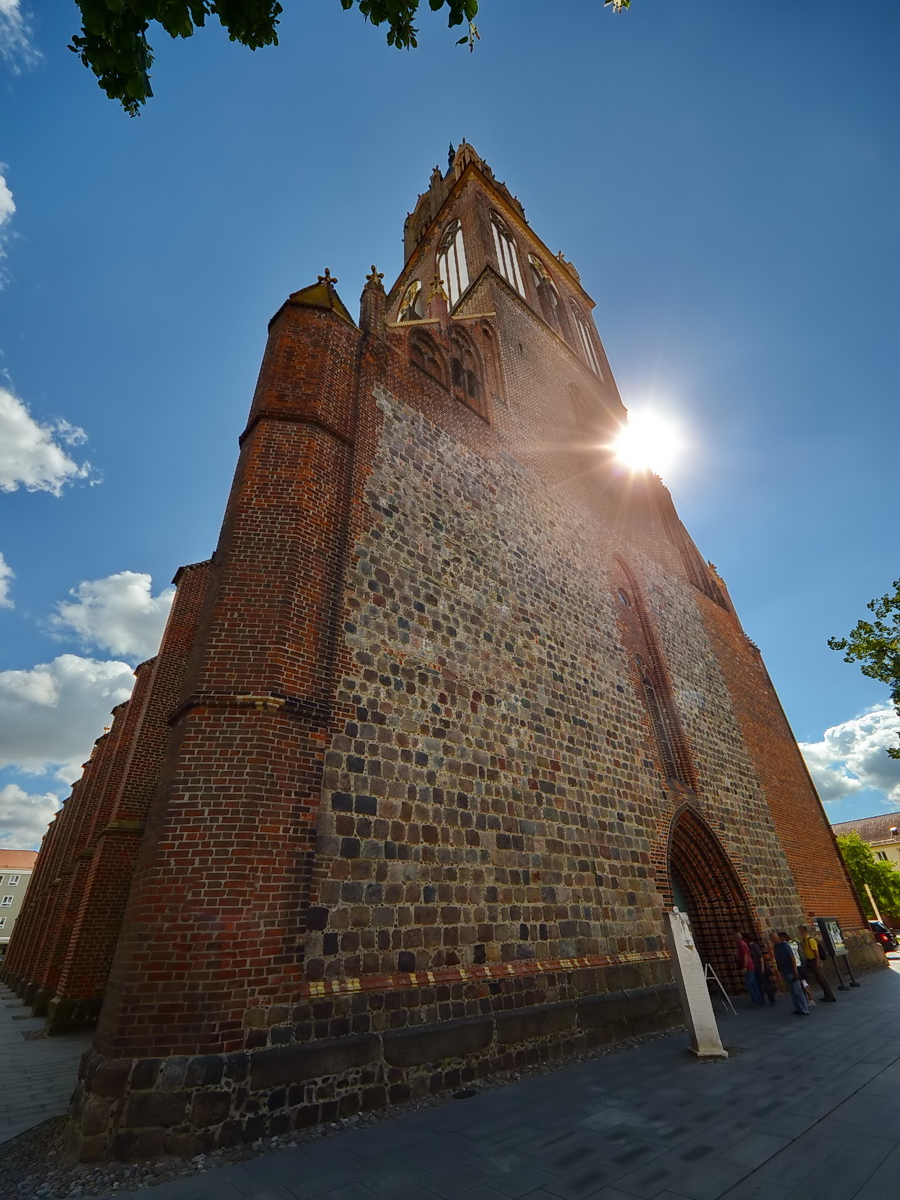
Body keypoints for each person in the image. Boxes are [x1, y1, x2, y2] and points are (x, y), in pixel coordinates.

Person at [771, 930, 809, 1015]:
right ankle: (797, 1008)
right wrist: (779, 971)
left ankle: (804, 1009)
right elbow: (777, 959)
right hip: (784, 971)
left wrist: (795, 971)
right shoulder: (776, 947)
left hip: (791, 971)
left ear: (777, 937)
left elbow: (792, 958)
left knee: (797, 990)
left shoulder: (785, 945)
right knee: (792, 991)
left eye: (773, 938)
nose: (772, 941)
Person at [797, 924, 837, 1003]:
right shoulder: (804, 940)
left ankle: (830, 996)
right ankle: (826, 995)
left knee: (822, 978)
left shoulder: (810, 940)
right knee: (819, 979)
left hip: (814, 960)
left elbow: (816, 951)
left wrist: (817, 961)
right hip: (809, 961)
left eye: (800, 931)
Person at [747, 933, 777, 1006]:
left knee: (766, 984)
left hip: (760, 967)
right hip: (755, 968)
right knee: (758, 984)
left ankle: (772, 999)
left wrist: (762, 968)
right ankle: (761, 999)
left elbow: (760, 957)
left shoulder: (755, 946)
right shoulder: (749, 947)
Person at [735, 931, 763, 1005]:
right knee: (753, 983)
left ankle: (756, 1000)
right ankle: (758, 999)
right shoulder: (742, 945)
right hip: (749, 966)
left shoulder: (742, 945)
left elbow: (745, 956)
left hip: (748, 967)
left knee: (749, 984)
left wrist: (744, 966)